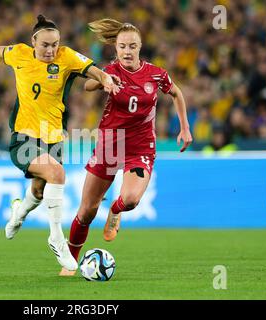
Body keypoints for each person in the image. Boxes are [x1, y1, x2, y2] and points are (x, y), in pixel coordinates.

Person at [0, 15, 120, 272]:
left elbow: (93, 69)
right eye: (45, 45)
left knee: (39, 192)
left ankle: (19, 210)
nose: (50, 50)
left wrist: (105, 79)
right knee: (57, 173)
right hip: (23, 138)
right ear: (33, 42)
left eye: (55, 44)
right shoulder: (19, 54)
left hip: (53, 138)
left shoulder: (66, 57)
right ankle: (56, 239)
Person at [62, 19, 193, 275]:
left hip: (140, 146)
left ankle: (115, 210)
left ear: (140, 47)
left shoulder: (156, 75)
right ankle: (70, 261)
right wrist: (103, 80)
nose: (128, 51)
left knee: (131, 199)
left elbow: (176, 93)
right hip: (110, 145)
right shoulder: (111, 70)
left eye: (132, 46)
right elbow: (87, 85)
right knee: (87, 211)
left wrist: (185, 127)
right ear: (116, 48)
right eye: (123, 46)